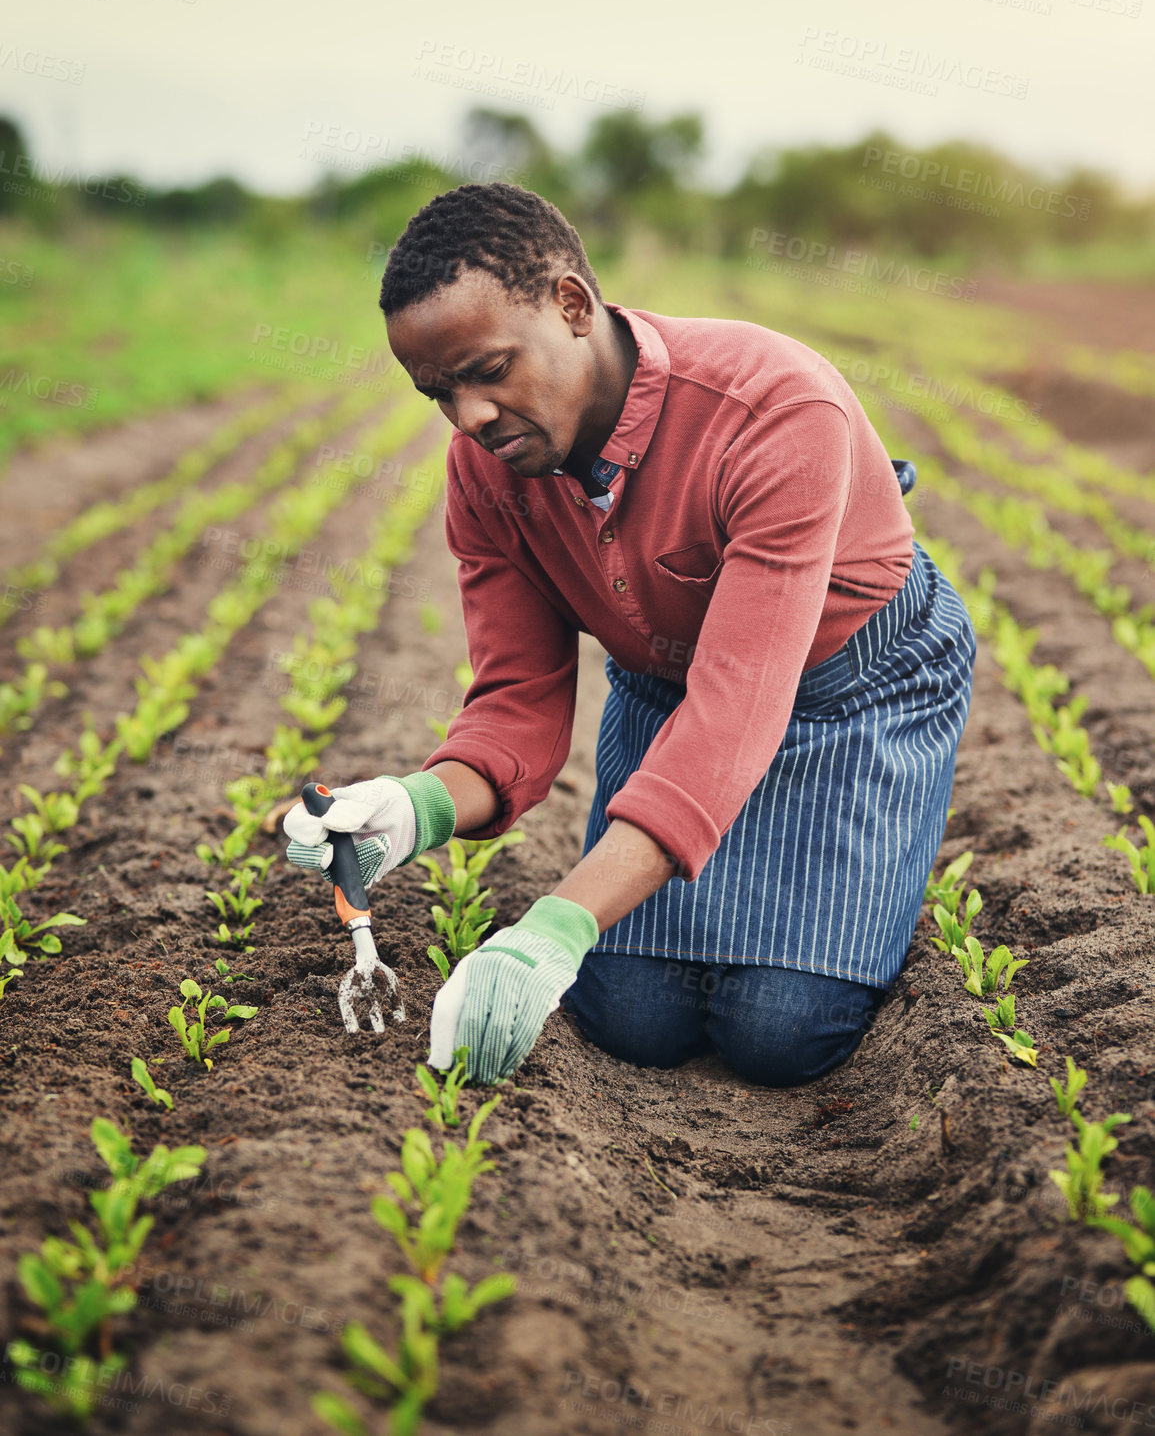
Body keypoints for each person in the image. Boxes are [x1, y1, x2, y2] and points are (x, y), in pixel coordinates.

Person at [283, 182, 976, 1089]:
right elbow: (517, 702)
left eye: (489, 370)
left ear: (571, 304)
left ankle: (861, 888)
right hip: (667, 693)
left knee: (778, 1030)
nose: (470, 419)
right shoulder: (489, 476)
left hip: (854, 694)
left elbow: (733, 712)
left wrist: (554, 926)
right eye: (437, 393)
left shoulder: (771, 410)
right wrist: (413, 806)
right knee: (632, 1015)